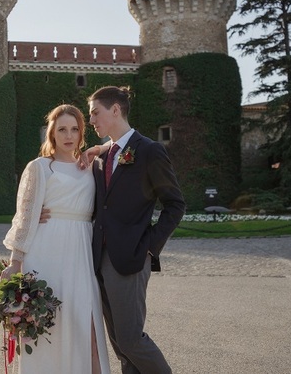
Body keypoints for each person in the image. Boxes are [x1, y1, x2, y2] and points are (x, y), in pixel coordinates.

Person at [1, 104, 111, 374]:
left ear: (82, 132)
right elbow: (25, 216)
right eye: (62, 129)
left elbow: (125, 141)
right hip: (46, 249)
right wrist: (15, 263)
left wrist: (97, 149)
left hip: (82, 249)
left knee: (88, 324)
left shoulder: (91, 165)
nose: (68, 135)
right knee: (50, 324)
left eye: (74, 129)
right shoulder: (39, 167)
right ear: (51, 133)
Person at [87, 85, 186, 374]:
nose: (91, 120)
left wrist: (148, 247)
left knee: (131, 340)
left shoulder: (149, 151)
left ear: (115, 110)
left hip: (130, 259)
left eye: (95, 113)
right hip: (98, 260)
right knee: (119, 345)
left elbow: (175, 205)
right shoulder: (102, 157)